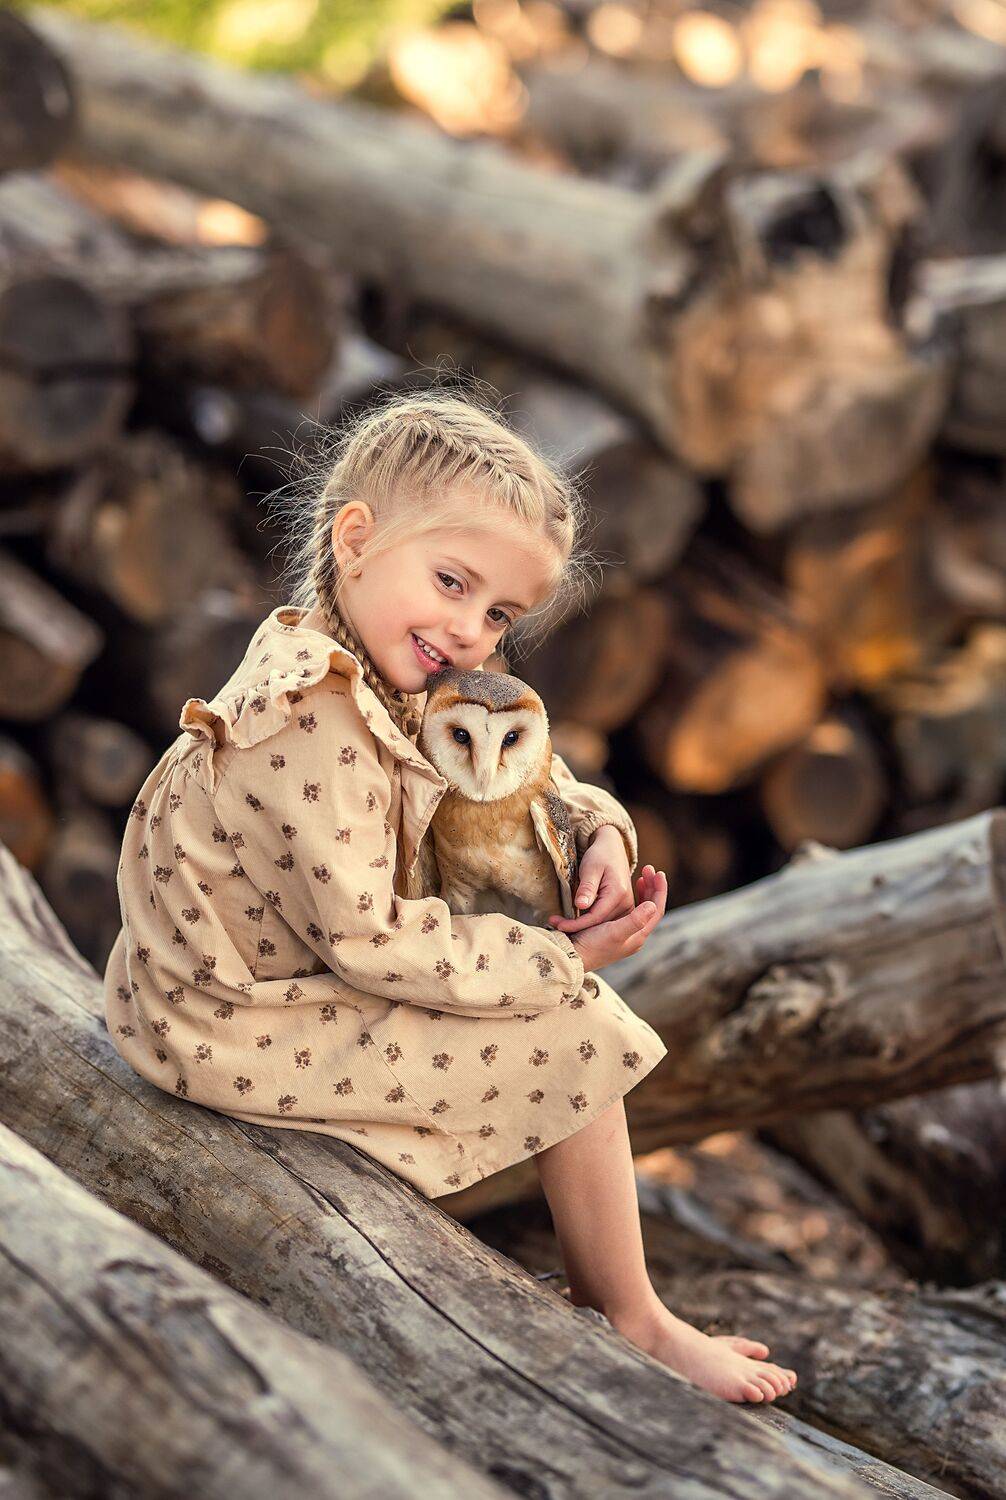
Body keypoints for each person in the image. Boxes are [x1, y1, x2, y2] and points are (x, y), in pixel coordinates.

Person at [104, 387, 796, 1405]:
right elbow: (371, 942)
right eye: (453, 582)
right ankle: (632, 1315)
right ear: (355, 539)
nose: (471, 630)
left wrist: (598, 829)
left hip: (236, 981)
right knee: (568, 1023)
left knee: (534, 978)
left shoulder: (376, 658)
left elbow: (521, 773)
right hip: (223, 1020)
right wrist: (557, 959)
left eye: (499, 613)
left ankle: (606, 1280)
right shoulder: (309, 717)